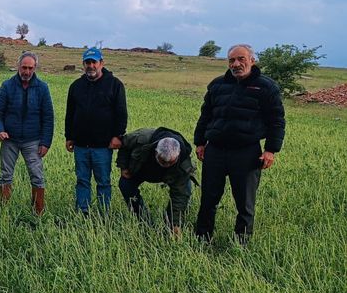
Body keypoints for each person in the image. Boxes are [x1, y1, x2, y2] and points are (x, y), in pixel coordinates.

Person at [194, 43, 285, 244]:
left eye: (241, 59)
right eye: (232, 60)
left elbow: (276, 120)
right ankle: (202, 239)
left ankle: (240, 243)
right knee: (208, 199)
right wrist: (200, 142)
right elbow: (205, 115)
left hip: (247, 152)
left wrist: (271, 150)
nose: (236, 64)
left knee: (245, 203)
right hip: (215, 150)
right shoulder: (217, 85)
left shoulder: (265, 86)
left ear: (252, 60)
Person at [64, 47, 127, 215]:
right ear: (83, 65)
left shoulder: (115, 85)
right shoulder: (76, 86)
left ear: (101, 63)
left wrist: (117, 136)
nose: (91, 66)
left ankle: (103, 213)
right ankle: (83, 211)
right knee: (82, 180)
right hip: (81, 145)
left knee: (103, 181)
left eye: (94, 62)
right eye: (87, 62)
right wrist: (69, 137)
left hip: (103, 145)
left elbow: (121, 114)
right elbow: (70, 114)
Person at [0, 51, 54, 215]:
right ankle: (3, 212)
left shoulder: (42, 88)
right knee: (5, 176)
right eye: (24, 67)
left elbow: (48, 117)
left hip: (33, 140)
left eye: (30, 68)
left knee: (37, 176)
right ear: (18, 66)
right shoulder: (7, 86)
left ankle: (37, 212)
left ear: (35, 68)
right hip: (9, 139)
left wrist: (45, 143)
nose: (26, 72)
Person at [116, 128, 197, 234]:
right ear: (156, 152)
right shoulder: (142, 138)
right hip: (140, 168)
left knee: (184, 191)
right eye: (163, 161)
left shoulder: (182, 165)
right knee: (125, 184)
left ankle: (170, 225)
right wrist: (124, 167)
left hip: (170, 175)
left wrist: (175, 224)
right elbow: (124, 144)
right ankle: (144, 220)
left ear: (177, 155)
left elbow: (179, 196)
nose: (166, 165)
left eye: (170, 162)